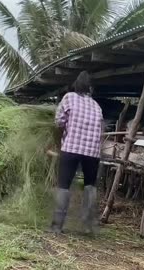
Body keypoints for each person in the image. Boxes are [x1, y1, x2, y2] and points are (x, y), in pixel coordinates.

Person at [50, 71, 103, 234]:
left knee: (64, 185)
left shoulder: (69, 97)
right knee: (90, 186)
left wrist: (61, 136)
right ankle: (88, 227)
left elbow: (59, 122)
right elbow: (101, 129)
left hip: (71, 147)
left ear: (76, 85)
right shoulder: (96, 105)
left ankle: (57, 226)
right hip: (92, 151)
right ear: (91, 89)